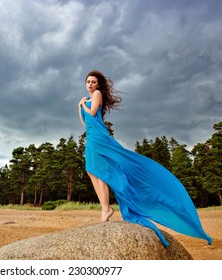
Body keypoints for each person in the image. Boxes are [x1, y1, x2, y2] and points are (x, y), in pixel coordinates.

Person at [78, 70, 212, 247]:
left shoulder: (97, 94)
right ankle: (106, 208)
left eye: (93, 82)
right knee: (91, 170)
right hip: (91, 135)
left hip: (98, 137)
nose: (90, 84)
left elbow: (92, 111)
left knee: (98, 170)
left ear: (98, 85)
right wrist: (79, 107)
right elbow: (85, 121)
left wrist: (83, 104)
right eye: (88, 82)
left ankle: (106, 208)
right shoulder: (88, 98)